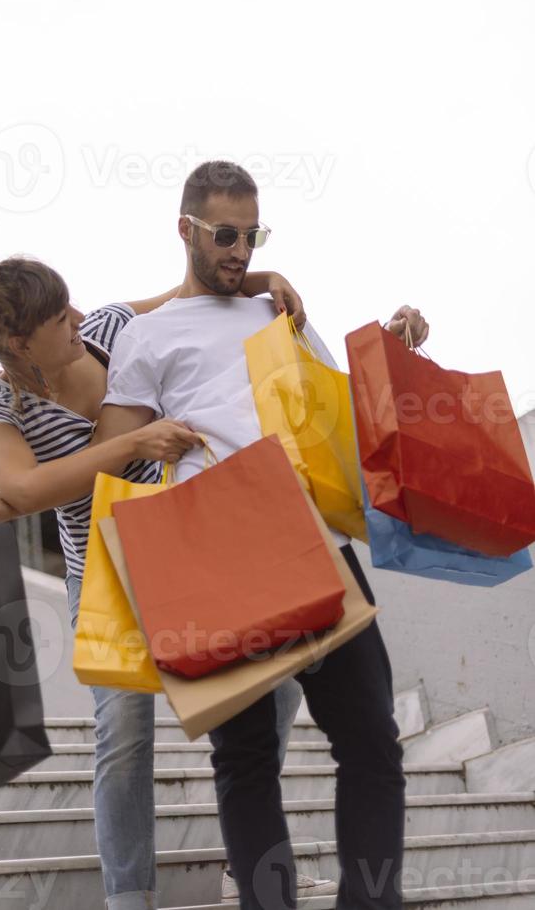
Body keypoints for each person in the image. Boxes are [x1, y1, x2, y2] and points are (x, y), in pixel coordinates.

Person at [0, 228, 318, 909]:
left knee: (278, 689)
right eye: (58, 319)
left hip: (192, 544)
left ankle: (248, 853)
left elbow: (190, 297)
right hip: (103, 568)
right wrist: (129, 442)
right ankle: (127, 895)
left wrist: (260, 280)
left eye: (72, 308)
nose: (77, 319)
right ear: (20, 345)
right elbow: (27, 490)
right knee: (126, 731)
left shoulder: (108, 329)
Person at [93, 159, 429, 910]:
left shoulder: (280, 312)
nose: (240, 250)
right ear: (185, 230)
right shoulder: (145, 337)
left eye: (251, 234)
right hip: (213, 550)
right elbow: (111, 457)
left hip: (307, 533)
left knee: (372, 741)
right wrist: (149, 442)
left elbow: (338, 409)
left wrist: (396, 352)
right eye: (224, 234)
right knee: (244, 759)